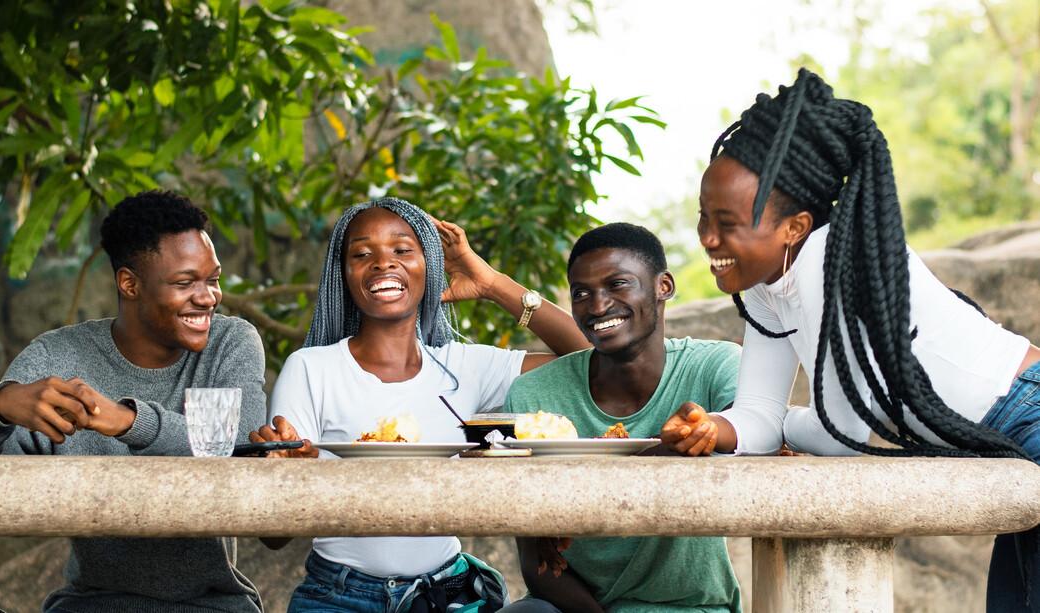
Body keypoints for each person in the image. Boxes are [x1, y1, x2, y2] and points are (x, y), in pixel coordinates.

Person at [660, 68, 1040, 611]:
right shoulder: (769, 285)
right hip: (1008, 433)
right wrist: (714, 427)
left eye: (728, 222)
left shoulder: (826, 262)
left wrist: (779, 425)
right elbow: (760, 414)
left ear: (795, 226)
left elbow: (837, 432)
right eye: (703, 219)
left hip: (1029, 412)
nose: (708, 240)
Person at [251, 196, 590, 613]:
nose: (382, 263)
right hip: (340, 596)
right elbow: (273, 537)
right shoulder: (312, 369)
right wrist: (288, 480)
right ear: (343, 275)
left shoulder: (462, 367)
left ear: (428, 265)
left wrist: (492, 284)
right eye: (362, 253)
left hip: (446, 596)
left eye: (402, 249)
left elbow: (588, 361)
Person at [0, 190, 267, 612]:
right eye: (185, 282)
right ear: (129, 283)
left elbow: (243, 451)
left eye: (213, 279)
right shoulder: (59, 357)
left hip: (214, 605)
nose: (208, 296)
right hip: (91, 603)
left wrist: (129, 421)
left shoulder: (231, 343)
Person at [494, 223, 742, 613]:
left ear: (664, 286)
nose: (597, 306)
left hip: (687, 606)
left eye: (618, 285)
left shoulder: (713, 368)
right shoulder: (534, 396)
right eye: (581, 293)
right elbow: (537, 562)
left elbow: (752, 428)